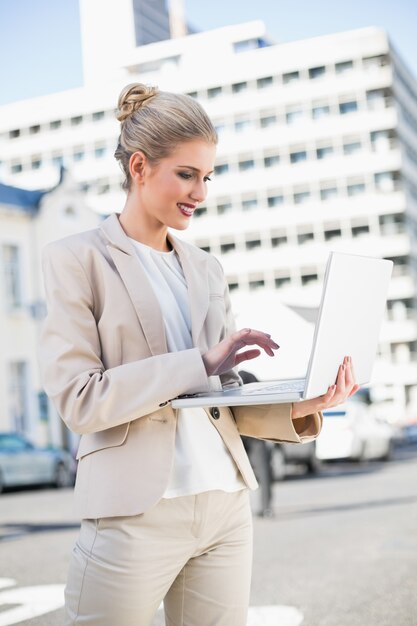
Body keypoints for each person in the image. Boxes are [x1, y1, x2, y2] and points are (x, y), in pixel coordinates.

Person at [38, 83, 359, 626]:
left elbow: (221, 401)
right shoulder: (76, 260)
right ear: (139, 167)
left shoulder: (206, 268)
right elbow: (79, 401)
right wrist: (203, 361)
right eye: (186, 175)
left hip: (225, 506)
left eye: (206, 177)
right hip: (133, 513)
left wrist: (307, 402)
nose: (201, 193)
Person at [239, 370, 274, 518]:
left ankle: (242, 511)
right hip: (254, 433)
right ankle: (266, 508)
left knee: (237, 475)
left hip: (238, 434)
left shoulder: (235, 377)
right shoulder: (249, 377)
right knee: (263, 472)